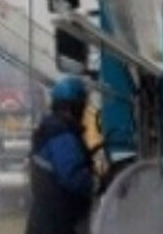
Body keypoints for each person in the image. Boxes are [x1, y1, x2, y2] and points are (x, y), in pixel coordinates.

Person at [26, 76, 99, 234]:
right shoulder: (62, 135)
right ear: (73, 107)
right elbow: (73, 177)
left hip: (44, 220)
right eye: (81, 106)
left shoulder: (50, 130)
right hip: (58, 223)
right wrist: (98, 182)